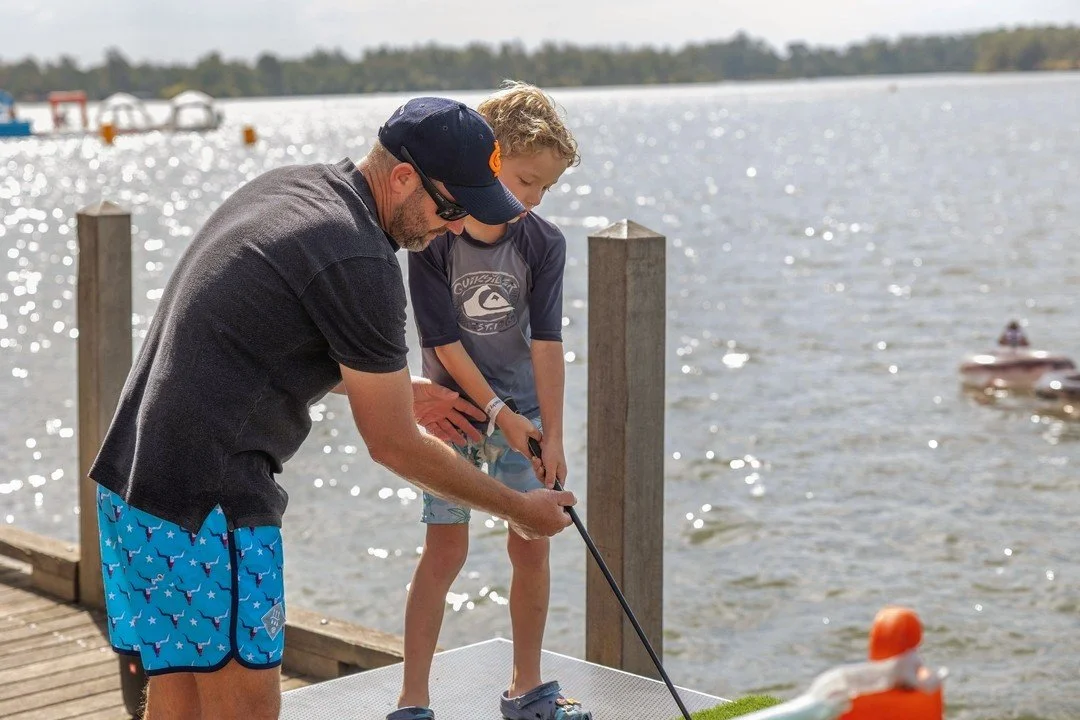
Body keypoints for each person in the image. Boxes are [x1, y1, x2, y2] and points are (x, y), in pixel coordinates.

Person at [89, 97, 576, 720]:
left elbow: (259, 336)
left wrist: (405, 391)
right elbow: (393, 445)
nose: (454, 229)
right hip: (210, 505)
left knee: (179, 704)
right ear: (403, 178)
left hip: (134, 486)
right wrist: (520, 512)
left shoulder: (296, 188)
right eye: (451, 208)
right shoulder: (361, 258)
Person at [391, 82, 587, 720]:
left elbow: (548, 343)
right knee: (444, 550)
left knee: (533, 542)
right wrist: (497, 416)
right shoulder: (434, 239)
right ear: (490, 161)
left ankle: (527, 691)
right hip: (454, 417)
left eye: (545, 189)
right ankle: (413, 701)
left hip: (525, 417)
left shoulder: (543, 243)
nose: (532, 200)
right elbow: (443, 343)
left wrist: (550, 434)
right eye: (527, 180)